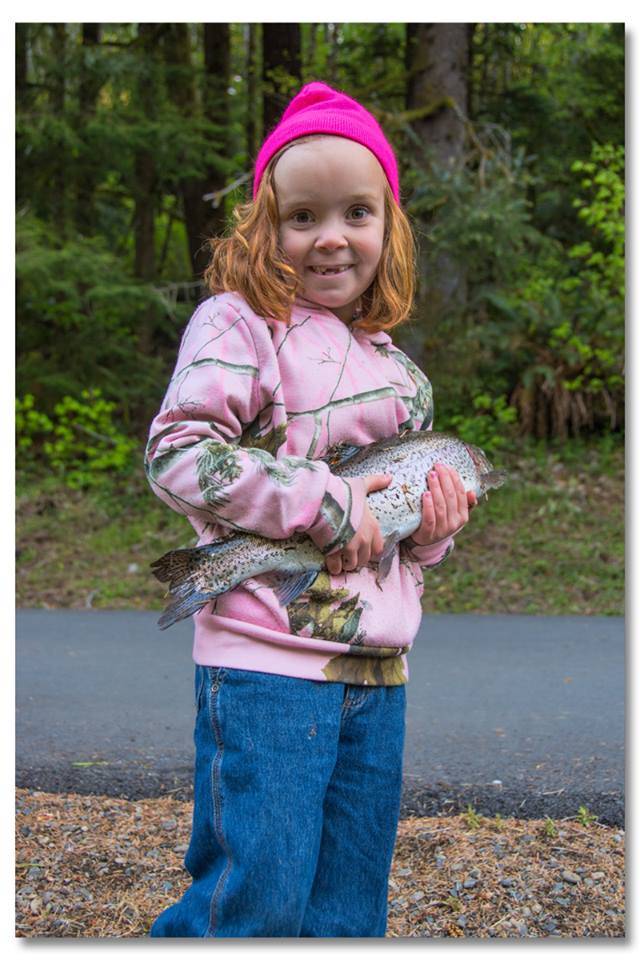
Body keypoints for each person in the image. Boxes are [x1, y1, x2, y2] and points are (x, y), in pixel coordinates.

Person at [144, 81, 476, 939]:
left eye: (357, 212)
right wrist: (327, 502)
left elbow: (393, 539)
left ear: (388, 230)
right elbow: (179, 454)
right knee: (257, 896)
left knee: (348, 909)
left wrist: (430, 535)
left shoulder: (402, 374)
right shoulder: (241, 325)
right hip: (262, 667)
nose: (331, 236)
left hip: (378, 672)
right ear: (266, 229)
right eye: (303, 217)